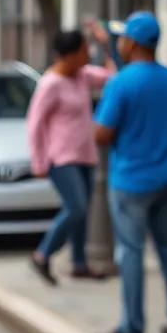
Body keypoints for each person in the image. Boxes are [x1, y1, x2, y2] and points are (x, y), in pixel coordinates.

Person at [92, 11, 167, 333]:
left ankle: (132, 329)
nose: (121, 43)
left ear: (133, 43)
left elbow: (102, 133)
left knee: (132, 253)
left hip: (131, 181)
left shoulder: (121, 83)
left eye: (124, 38)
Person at [25, 27, 115, 284]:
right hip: (61, 157)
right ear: (71, 54)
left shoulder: (82, 76)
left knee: (82, 211)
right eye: (85, 50)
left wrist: (107, 44)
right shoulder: (50, 83)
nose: (89, 55)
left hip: (85, 155)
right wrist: (38, 161)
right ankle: (42, 254)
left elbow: (111, 76)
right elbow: (35, 123)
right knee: (76, 206)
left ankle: (79, 263)